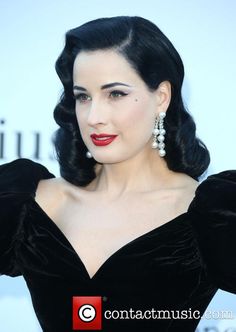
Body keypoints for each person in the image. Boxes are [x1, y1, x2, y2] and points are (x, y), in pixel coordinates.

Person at [0, 16, 235, 332]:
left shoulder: (209, 214)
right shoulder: (31, 201)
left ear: (161, 97)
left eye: (115, 94)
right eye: (83, 96)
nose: (94, 116)